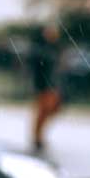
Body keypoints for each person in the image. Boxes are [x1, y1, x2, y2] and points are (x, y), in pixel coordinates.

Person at [29, 21, 65, 152]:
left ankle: (38, 136)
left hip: (53, 85)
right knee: (43, 111)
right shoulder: (41, 49)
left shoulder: (56, 48)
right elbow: (38, 68)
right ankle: (37, 137)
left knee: (51, 110)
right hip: (44, 85)